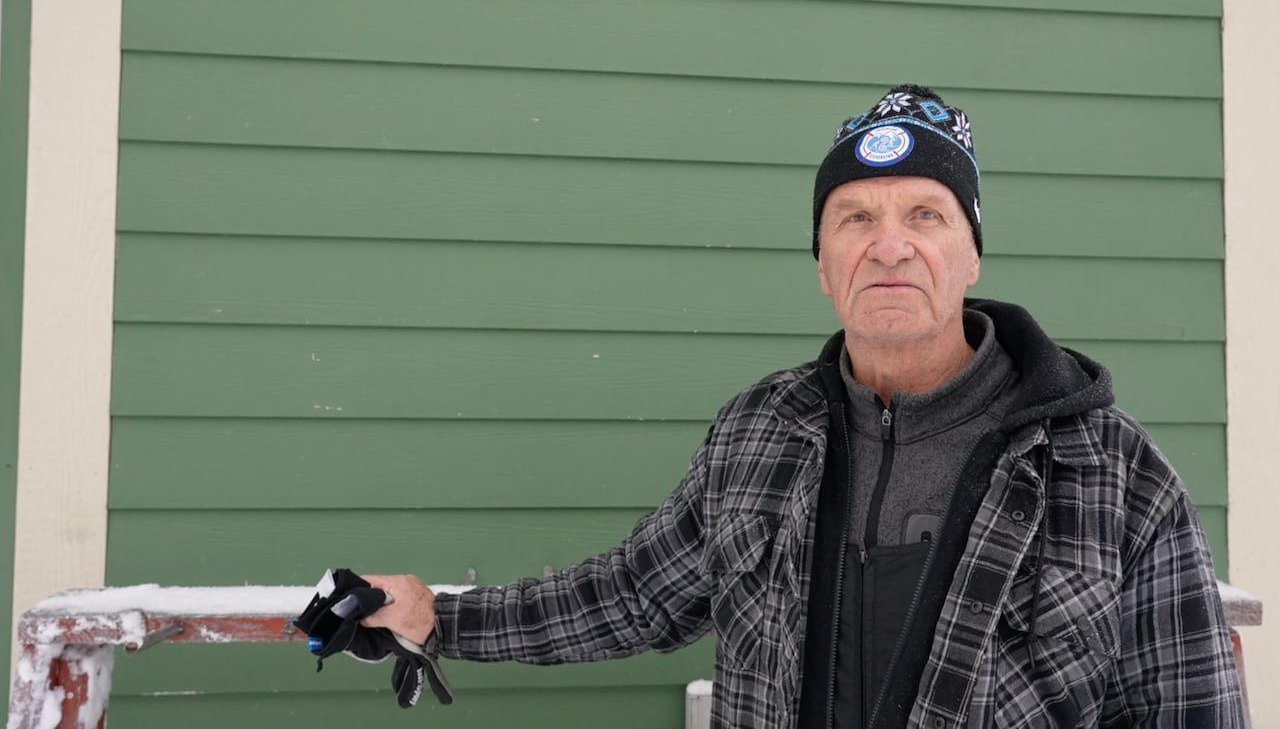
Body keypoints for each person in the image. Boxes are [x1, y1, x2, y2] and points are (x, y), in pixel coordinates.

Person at [359, 85, 1246, 727]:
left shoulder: (1112, 472)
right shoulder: (760, 433)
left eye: (926, 215)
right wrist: (439, 617)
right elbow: (636, 593)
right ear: (823, 265)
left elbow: (1189, 706)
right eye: (854, 218)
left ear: (972, 254)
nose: (888, 244)